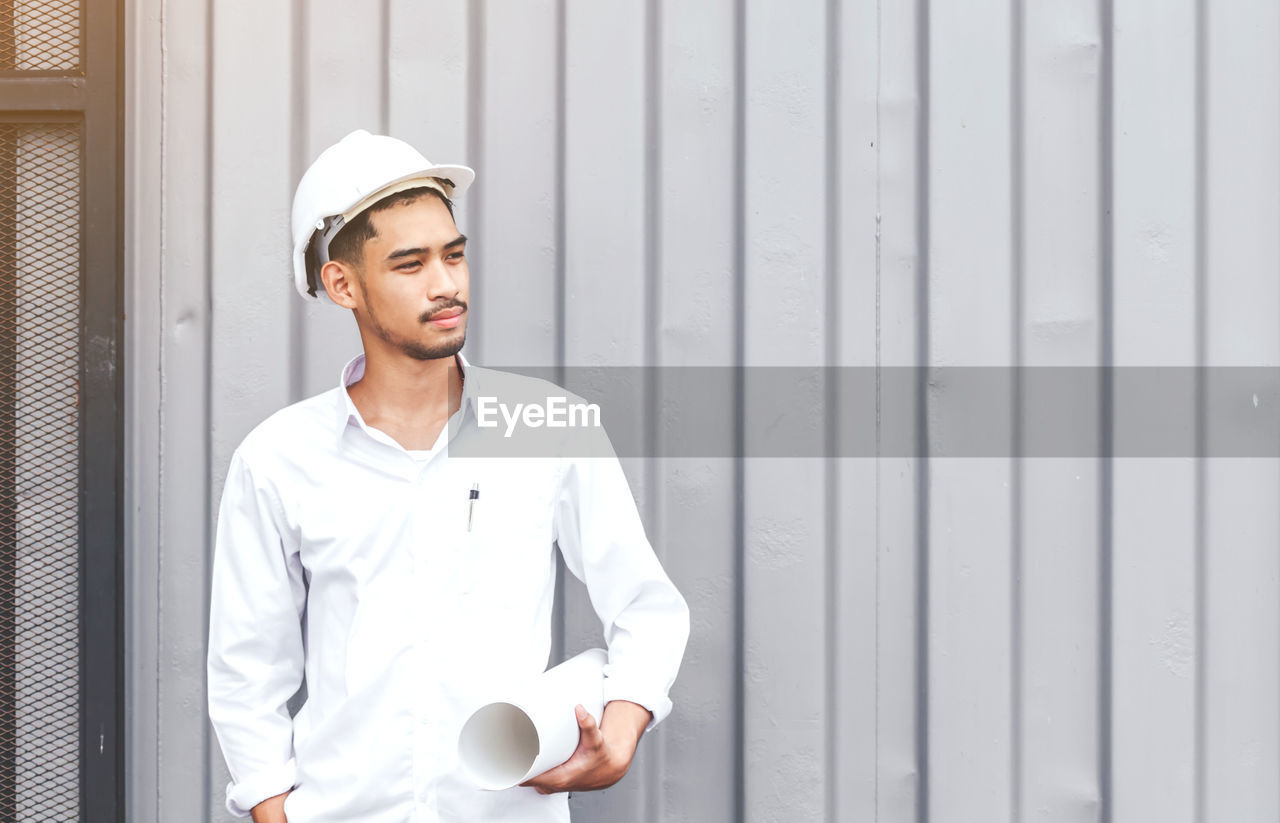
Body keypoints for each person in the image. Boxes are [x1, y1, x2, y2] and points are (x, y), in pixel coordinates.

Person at [206, 129, 690, 823]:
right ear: (343, 283)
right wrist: (273, 809)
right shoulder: (278, 457)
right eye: (410, 264)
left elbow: (645, 606)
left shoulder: (550, 425)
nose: (446, 284)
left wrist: (626, 718)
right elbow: (246, 667)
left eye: (453, 255)